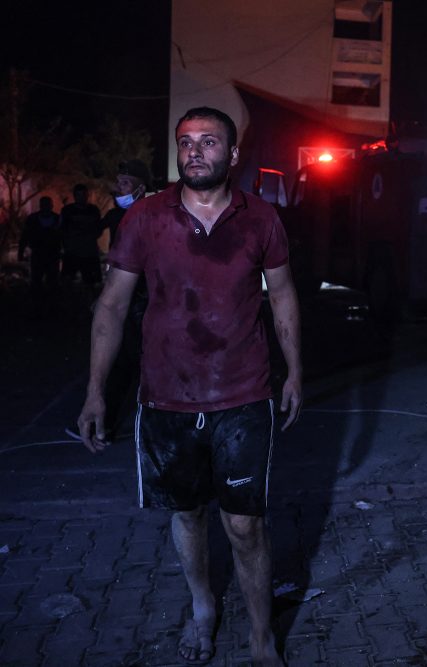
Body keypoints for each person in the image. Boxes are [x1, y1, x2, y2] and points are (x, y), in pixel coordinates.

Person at [76, 107, 302, 666]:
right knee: (188, 514)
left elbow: (285, 296)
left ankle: (260, 636)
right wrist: (95, 390)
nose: (195, 151)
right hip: (166, 398)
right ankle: (203, 609)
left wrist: (295, 369)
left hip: (244, 395)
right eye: (186, 142)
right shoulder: (146, 219)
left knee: (246, 524)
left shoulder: (263, 220)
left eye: (208, 142)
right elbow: (111, 306)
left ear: (232, 155)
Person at [66, 160, 153, 442]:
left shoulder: (152, 216)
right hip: (125, 300)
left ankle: (103, 424)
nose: (119, 189)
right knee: (123, 364)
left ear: (141, 187)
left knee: (126, 364)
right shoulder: (118, 216)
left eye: (125, 183)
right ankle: (105, 423)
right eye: (119, 182)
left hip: (141, 302)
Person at [18, 196, 62, 305]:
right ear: (41, 206)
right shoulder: (33, 219)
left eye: (48, 204)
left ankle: (50, 306)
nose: (46, 207)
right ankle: (38, 305)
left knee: (52, 282)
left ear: (51, 206)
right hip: (38, 255)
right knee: (36, 282)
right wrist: (20, 252)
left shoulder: (57, 219)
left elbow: (63, 236)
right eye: (44, 205)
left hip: (52, 255)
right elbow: (25, 236)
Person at [59, 183, 104, 291]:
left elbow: (99, 228)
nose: (81, 197)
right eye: (78, 195)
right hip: (72, 252)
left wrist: (90, 237)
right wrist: (65, 245)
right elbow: (61, 230)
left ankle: (88, 305)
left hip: (89, 252)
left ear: (87, 195)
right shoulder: (67, 211)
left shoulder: (93, 210)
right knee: (67, 281)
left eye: (83, 195)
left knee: (91, 283)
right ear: (74, 196)